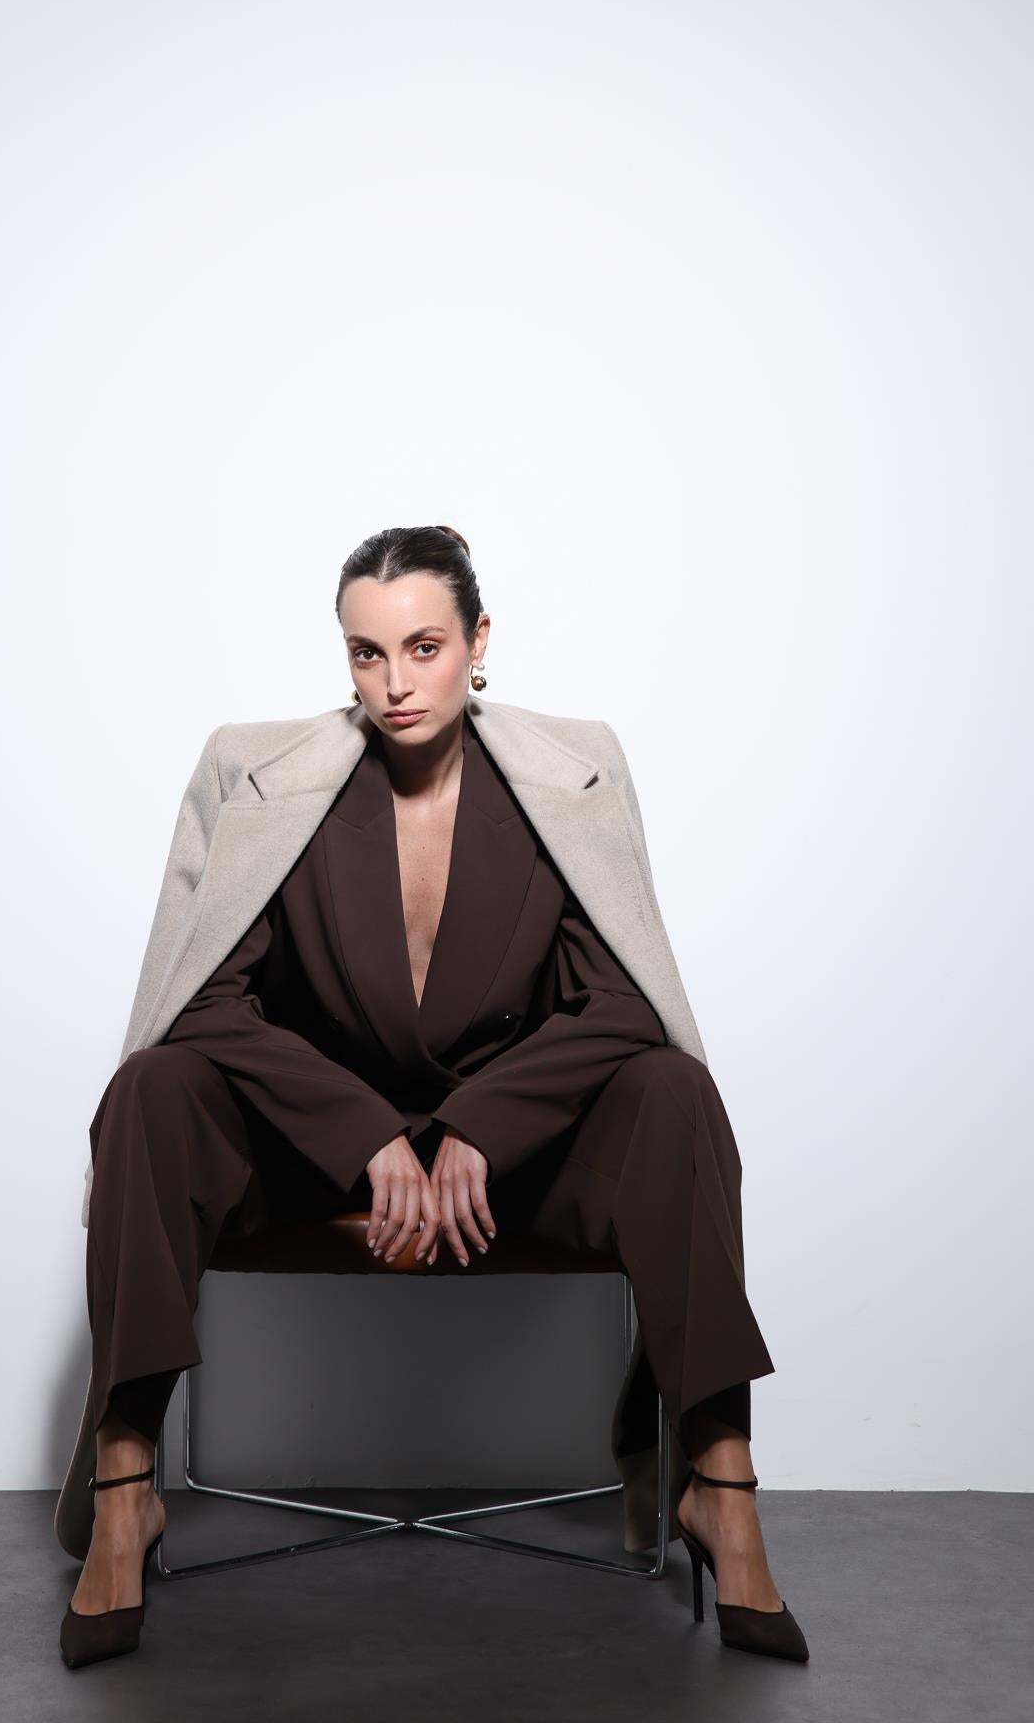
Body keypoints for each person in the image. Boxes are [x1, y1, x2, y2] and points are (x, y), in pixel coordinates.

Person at [60, 525, 809, 1669]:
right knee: (150, 1090)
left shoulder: (569, 775)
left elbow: (621, 1000)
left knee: (675, 1094)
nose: (396, 684)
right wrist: (366, 1135)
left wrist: (478, 1127)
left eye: (423, 647)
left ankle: (721, 1482)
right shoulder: (269, 780)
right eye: (367, 655)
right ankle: (127, 1487)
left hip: (516, 1152)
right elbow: (202, 1002)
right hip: (310, 1145)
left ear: (478, 641)